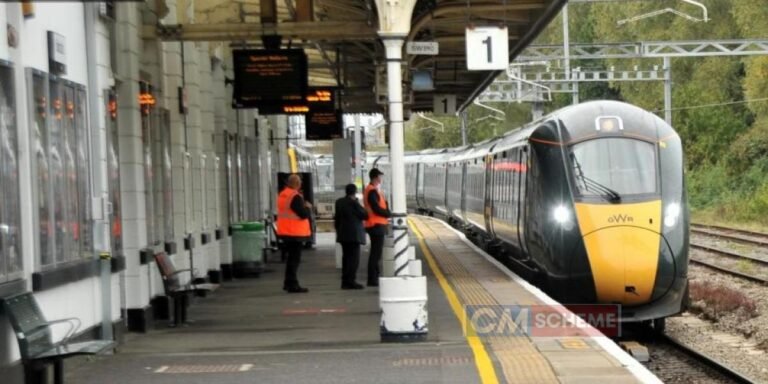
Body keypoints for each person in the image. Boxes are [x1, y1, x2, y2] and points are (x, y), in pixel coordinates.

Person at [276, 174, 312, 293]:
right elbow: (303, 214)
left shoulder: (283, 194)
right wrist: (308, 207)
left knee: (291, 259)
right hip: (294, 233)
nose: (301, 184)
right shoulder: (295, 196)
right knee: (294, 260)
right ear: (297, 184)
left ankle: (288, 283)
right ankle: (292, 284)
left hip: (286, 231)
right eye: (300, 183)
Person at [334, 184, 368, 290]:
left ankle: (345, 281)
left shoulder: (339, 202)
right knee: (353, 260)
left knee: (346, 258)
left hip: (343, 234)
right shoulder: (353, 203)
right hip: (353, 236)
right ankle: (351, 282)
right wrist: (357, 202)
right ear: (354, 192)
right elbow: (364, 215)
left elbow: (337, 218)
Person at [364, 168, 391, 287]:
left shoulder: (373, 190)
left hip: (375, 224)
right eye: (380, 176)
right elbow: (375, 208)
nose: (381, 179)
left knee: (376, 252)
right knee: (375, 253)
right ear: (375, 177)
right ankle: (372, 279)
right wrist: (387, 213)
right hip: (376, 225)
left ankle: (374, 275)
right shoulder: (372, 191)